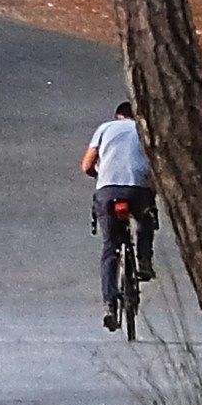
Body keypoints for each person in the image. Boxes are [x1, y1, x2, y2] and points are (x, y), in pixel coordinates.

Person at [83, 88, 159, 330]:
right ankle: (144, 261)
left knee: (110, 248)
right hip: (138, 190)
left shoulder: (105, 128)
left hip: (107, 192)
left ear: (119, 116)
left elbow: (86, 165)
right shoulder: (145, 129)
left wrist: (101, 177)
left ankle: (109, 305)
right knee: (146, 218)